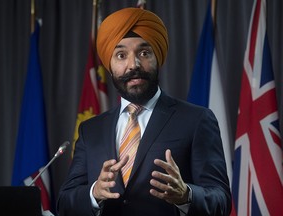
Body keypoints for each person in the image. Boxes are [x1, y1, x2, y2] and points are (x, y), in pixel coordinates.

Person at [57, 7, 232, 216]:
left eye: (144, 53)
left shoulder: (197, 120)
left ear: (157, 57)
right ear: (109, 66)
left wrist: (187, 195)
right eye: (121, 55)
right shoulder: (91, 130)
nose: (134, 64)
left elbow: (220, 200)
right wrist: (95, 192)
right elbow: (65, 203)